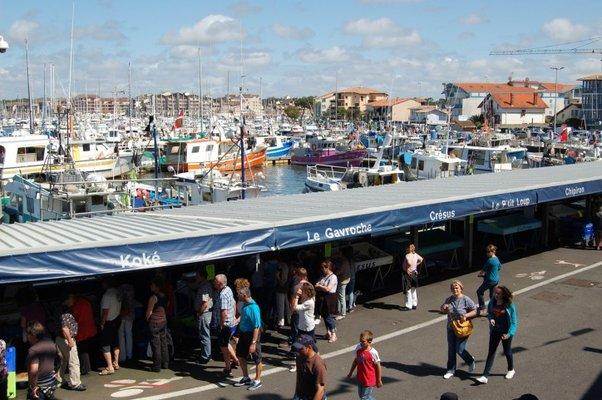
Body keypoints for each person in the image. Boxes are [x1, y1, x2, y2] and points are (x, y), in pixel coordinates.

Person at [477, 285, 518, 384]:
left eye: (498, 293)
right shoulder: (493, 301)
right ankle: (485, 375)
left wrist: (509, 334)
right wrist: (491, 319)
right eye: (495, 292)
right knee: (491, 352)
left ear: (503, 294)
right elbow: (489, 312)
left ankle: (511, 369)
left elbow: (514, 322)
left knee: (507, 351)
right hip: (495, 331)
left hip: (506, 332)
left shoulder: (509, 305)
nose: (496, 295)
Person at [440, 280, 478, 379]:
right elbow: (443, 310)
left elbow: (475, 311)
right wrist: (443, 307)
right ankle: (451, 370)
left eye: (457, 287)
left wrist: (466, 315)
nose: (455, 289)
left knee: (460, 349)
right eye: (453, 288)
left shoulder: (466, 299)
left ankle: (470, 360)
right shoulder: (449, 299)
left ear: (461, 288)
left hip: (462, 327)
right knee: (451, 350)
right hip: (451, 327)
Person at [233, 287, 263, 391]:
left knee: (257, 359)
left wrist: (253, 343)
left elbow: (256, 326)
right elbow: (244, 315)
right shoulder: (245, 305)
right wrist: (238, 320)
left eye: (239, 295)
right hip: (244, 334)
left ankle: (258, 380)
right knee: (240, 356)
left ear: (244, 296)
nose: (237, 296)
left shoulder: (254, 308)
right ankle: (246, 378)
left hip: (252, 335)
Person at [56, 295, 86, 391]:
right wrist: (70, 340)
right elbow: (65, 328)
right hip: (66, 339)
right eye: (71, 298)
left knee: (63, 360)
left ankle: (59, 379)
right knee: (74, 361)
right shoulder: (66, 313)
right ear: (66, 301)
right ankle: (75, 383)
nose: (73, 300)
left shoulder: (60, 310)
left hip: (59, 339)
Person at [26, 321, 59, 400]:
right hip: (51, 383)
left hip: (39, 387)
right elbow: (60, 357)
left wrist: (33, 387)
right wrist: (57, 371)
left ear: (33, 335)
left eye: (28, 334)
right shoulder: (50, 342)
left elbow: (34, 371)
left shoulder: (33, 350)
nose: (27, 336)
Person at [212, 274, 237, 378]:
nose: (214, 282)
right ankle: (236, 360)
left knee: (223, 347)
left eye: (215, 281)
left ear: (220, 283)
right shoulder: (228, 289)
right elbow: (234, 303)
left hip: (224, 324)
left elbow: (224, 312)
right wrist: (234, 316)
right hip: (230, 322)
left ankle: (228, 368)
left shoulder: (222, 295)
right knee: (226, 343)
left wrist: (221, 325)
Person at [346, 330, 382, 400]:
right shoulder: (358, 348)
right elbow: (356, 361)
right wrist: (350, 373)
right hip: (360, 377)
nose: (361, 343)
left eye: (363, 342)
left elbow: (378, 366)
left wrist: (379, 380)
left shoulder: (373, 352)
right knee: (363, 396)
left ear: (370, 341)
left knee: (364, 397)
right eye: (360, 341)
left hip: (369, 379)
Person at [68, 293, 96, 376]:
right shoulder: (86, 302)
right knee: (86, 348)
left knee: (82, 350)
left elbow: (76, 318)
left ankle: (85, 368)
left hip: (82, 330)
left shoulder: (77, 306)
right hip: (90, 328)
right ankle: (88, 367)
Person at [146, 277, 169, 372]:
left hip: (154, 322)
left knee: (156, 344)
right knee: (164, 342)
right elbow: (167, 306)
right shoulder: (164, 296)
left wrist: (147, 319)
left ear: (156, 287)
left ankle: (157, 365)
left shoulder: (153, 297)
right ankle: (165, 362)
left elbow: (149, 311)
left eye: (152, 285)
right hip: (163, 321)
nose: (151, 286)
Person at [293, 335, 327, 400]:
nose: (298, 350)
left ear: (309, 347)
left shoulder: (318, 364)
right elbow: (299, 376)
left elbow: (320, 390)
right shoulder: (299, 357)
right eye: (297, 348)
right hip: (301, 394)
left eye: (300, 348)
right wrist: (296, 394)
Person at [99, 279, 122, 375]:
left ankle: (109, 366)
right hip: (117, 319)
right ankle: (116, 363)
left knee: (105, 344)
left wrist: (102, 323)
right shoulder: (117, 292)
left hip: (109, 321)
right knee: (115, 342)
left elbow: (105, 312)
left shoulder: (107, 295)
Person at [314, 260, 338, 343]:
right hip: (322, 298)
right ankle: (328, 332)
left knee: (329, 317)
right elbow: (316, 286)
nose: (322, 269)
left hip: (329, 298)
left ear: (328, 268)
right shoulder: (323, 276)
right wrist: (321, 286)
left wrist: (320, 286)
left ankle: (334, 334)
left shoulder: (333, 277)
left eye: (323, 268)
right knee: (324, 316)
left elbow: (328, 289)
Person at [194, 267, 213, 364]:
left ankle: (205, 356)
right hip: (205, 313)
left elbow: (205, 303)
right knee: (204, 335)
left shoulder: (205, 287)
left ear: (201, 276)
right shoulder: (204, 285)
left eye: (197, 276)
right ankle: (206, 354)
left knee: (204, 335)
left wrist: (199, 313)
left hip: (204, 313)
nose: (196, 278)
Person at [476, 245, 502, 312]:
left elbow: (483, 270)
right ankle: (494, 308)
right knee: (492, 295)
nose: (487, 253)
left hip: (490, 280)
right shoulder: (496, 258)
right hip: (496, 279)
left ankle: (482, 307)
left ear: (493, 251)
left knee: (479, 292)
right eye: (486, 251)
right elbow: (499, 267)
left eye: (488, 252)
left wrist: (479, 274)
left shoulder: (489, 261)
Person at [117, 283, 135, 365]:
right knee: (129, 334)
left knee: (121, 335)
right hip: (130, 314)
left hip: (121, 315)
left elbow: (119, 300)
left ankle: (122, 356)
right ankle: (129, 355)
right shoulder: (131, 289)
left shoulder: (119, 289)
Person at [402, 244, 424, 311]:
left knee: (407, 290)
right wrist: (416, 264)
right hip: (414, 273)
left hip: (408, 274)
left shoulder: (407, 255)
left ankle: (408, 305)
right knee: (413, 289)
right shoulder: (415, 255)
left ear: (409, 249)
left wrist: (408, 267)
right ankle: (414, 304)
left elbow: (409, 262)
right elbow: (421, 259)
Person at [333, 256, 351, 320]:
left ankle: (343, 314)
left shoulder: (342, 262)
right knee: (340, 296)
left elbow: (339, 271)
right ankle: (339, 310)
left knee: (341, 297)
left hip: (342, 281)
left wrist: (332, 274)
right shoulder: (346, 260)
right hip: (346, 280)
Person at [275, 257, 291, 328]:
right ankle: (289, 320)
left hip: (280, 287)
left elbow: (277, 275)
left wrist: (279, 281)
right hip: (287, 287)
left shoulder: (280, 265)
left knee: (280, 305)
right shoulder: (289, 266)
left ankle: (281, 322)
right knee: (288, 305)